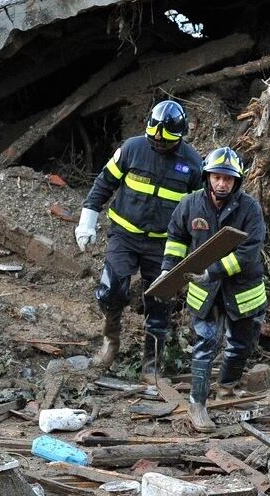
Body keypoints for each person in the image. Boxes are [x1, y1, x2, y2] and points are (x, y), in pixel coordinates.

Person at [75, 100, 203, 382]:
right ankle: (109, 346)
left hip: (163, 244)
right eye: (154, 138)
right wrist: (88, 220)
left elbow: (199, 210)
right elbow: (104, 183)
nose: (158, 143)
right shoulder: (133, 148)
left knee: (159, 301)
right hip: (124, 235)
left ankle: (151, 366)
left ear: (179, 137)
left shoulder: (193, 164)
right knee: (113, 289)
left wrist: (198, 245)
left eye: (165, 140)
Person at [161, 146, 267, 432]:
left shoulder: (249, 209)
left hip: (242, 291)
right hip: (204, 292)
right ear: (207, 177)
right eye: (217, 177)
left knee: (240, 345)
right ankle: (197, 404)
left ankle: (227, 389)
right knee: (204, 344)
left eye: (228, 179)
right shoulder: (190, 205)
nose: (221, 183)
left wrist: (213, 270)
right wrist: (168, 269)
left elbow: (249, 252)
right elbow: (176, 237)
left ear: (237, 181)